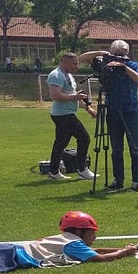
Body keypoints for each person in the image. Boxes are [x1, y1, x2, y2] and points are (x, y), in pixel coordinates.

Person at [0, 211, 138, 274]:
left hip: (8, 250)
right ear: (79, 231)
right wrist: (125, 252)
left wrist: (121, 248)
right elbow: (100, 258)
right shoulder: (74, 244)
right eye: (92, 233)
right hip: (11, 256)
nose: (94, 237)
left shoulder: (69, 240)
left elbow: (96, 249)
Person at [79, 40, 138, 191]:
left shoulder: (133, 65)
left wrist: (124, 67)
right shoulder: (105, 62)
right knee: (116, 148)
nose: (118, 57)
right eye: (116, 54)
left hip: (130, 110)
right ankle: (118, 179)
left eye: (121, 54)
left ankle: (136, 180)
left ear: (127, 54)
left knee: (134, 147)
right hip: (112, 109)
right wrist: (101, 54)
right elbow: (81, 58)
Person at [46, 52, 97, 181]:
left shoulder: (68, 75)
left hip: (66, 113)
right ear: (64, 62)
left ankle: (54, 171)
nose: (77, 66)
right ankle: (82, 169)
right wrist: (75, 97)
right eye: (74, 63)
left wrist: (88, 108)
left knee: (61, 143)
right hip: (63, 114)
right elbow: (55, 95)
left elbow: (72, 95)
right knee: (84, 138)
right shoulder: (56, 75)